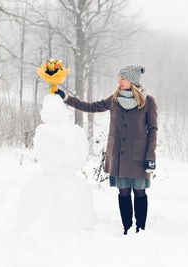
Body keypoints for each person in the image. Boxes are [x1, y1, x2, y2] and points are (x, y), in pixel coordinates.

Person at [54, 64, 158, 235]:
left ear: (132, 80)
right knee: (123, 192)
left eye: (123, 78)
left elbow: (153, 130)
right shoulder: (114, 99)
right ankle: (127, 228)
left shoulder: (148, 102)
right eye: (119, 77)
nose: (119, 81)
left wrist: (150, 156)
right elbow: (91, 107)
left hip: (139, 155)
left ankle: (140, 230)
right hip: (119, 154)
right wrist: (66, 98)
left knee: (140, 192)